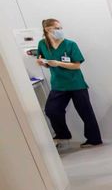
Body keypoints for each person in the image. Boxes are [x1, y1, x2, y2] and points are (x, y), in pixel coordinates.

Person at [37, 19, 102, 148]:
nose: (60, 31)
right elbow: (45, 62)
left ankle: (94, 139)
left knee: (86, 113)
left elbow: (76, 66)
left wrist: (58, 63)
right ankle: (63, 134)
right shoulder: (42, 44)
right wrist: (42, 63)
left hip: (76, 83)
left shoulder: (70, 44)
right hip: (58, 85)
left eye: (61, 28)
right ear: (47, 30)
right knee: (51, 110)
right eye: (57, 28)